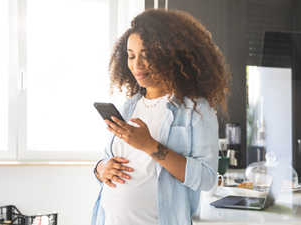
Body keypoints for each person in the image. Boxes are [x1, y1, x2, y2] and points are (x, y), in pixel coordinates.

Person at [91, 8, 231, 225]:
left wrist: (149, 145)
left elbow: (206, 179)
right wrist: (101, 168)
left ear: (170, 55)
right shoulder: (129, 107)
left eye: (146, 55)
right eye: (131, 55)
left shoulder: (196, 110)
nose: (136, 65)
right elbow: (108, 158)